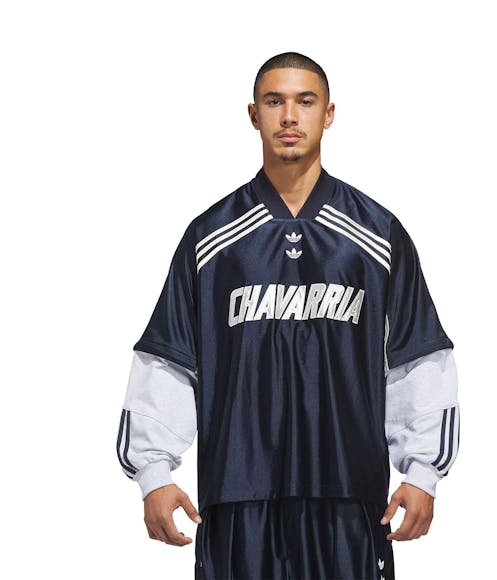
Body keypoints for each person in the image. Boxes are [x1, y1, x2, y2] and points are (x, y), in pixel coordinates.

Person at [116, 51, 460, 580]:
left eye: (306, 101)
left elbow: (418, 357)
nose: (290, 116)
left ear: (329, 113)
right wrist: (153, 473)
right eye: (275, 102)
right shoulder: (210, 240)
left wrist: (423, 473)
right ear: (254, 114)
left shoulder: (377, 235)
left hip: (349, 500)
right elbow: (168, 359)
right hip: (238, 499)